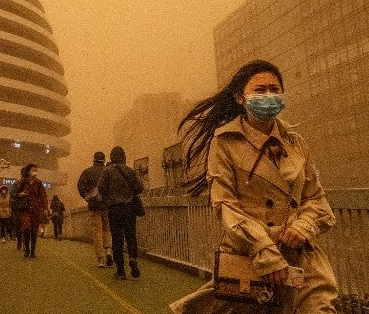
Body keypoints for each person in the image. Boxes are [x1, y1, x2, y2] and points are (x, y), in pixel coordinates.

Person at [170, 60, 339, 313]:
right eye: (260, 91)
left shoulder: (296, 143)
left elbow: (316, 198)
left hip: (299, 257)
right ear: (240, 97)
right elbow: (225, 204)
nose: (268, 96)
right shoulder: (225, 142)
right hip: (249, 255)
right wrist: (264, 249)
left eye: (274, 90)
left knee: (319, 308)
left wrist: (304, 226)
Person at [97, 146, 144, 280]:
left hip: (114, 209)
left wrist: (110, 196)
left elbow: (101, 188)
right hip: (129, 209)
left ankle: (121, 271)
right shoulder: (129, 171)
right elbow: (139, 188)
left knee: (117, 239)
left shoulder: (107, 171)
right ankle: (133, 259)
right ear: (123, 156)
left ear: (112, 157)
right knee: (131, 236)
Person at [77, 151, 113, 267]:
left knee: (97, 231)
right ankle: (108, 251)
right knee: (107, 229)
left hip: (94, 206)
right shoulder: (108, 171)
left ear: (94, 159)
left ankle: (100, 258)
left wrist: (87, 197)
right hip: (107, 206)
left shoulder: (88, 172)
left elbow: (80, 186)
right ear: (104, 160)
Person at [15, 163, 48, 258]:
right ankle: (27, 249)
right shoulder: (23, 182)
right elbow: (17, 194)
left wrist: (45, 208)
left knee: (34, 231)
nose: (35, 172)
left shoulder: (38, 183)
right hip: (25, 209)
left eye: (36, 170)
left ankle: (33, 251)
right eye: (33, 170)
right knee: (26, 229)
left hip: (35, 209)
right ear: (28, 171)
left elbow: (43, 197)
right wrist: (21, 194)